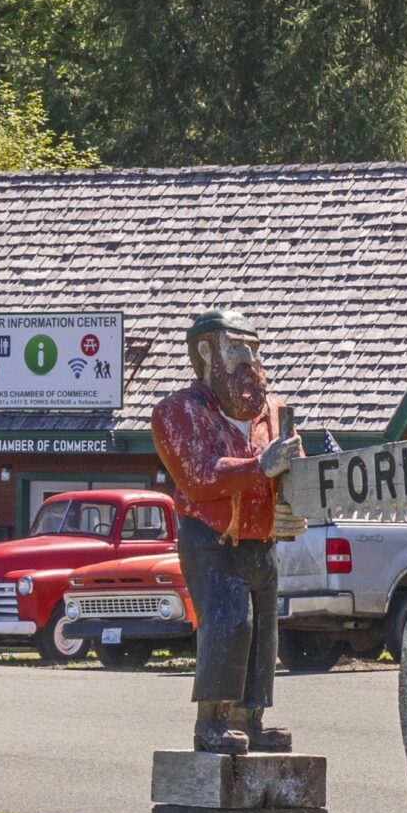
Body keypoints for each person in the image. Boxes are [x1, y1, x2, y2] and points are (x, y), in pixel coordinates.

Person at [151, 311, 309, 754]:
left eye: (254, 350)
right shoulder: (177, 412)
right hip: (212, 542)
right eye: (238, 348)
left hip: (263, 544)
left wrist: (296, 509)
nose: (251, 360)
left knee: (264, 633)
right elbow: (199, 476)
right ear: (206, 351)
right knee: (229, 624)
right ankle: (213, 722)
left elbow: (297, 473)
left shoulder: (275, 413)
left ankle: (251, 718)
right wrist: (260, 466)